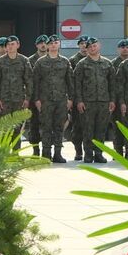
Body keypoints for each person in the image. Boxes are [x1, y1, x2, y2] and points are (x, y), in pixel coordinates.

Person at [74, 36, 115, 164]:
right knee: (88, 129)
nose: (93, 48)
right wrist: (79, 101)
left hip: (103, 101)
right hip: (87, 102)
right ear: (87, 49)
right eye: (90, 47)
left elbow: (112, 84)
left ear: (99, 46)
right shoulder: (82, 64)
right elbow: (77, 84)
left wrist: (112, 100)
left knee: (101, 129)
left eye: (94, 45)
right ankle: (88, 154)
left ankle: (99, 153)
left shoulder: (107, 63)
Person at [32, 34, 72, 164]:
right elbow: (36, 82)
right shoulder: (41, 62)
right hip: (45, 100)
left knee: (59, 127)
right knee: (46, 127)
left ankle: (58, 154)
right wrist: (37, 99)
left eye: (56, 43)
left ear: (59, 45)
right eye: (51, 43)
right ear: (48, 46)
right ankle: (46, 154)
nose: (53, 45)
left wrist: (70, 99)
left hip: (61, 100)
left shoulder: (65, 61)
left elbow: (70, 82)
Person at [0, 34, 32, 147]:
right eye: (8, 45)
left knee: (17, 128)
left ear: (18, 45)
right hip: (4, 100)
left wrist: (27, 98)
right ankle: (2, 154)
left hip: (19, 100)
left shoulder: (24, 60)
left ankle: (15, 154)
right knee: (3, 128)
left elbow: (29, 81)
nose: (10, 47)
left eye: (13, 44)